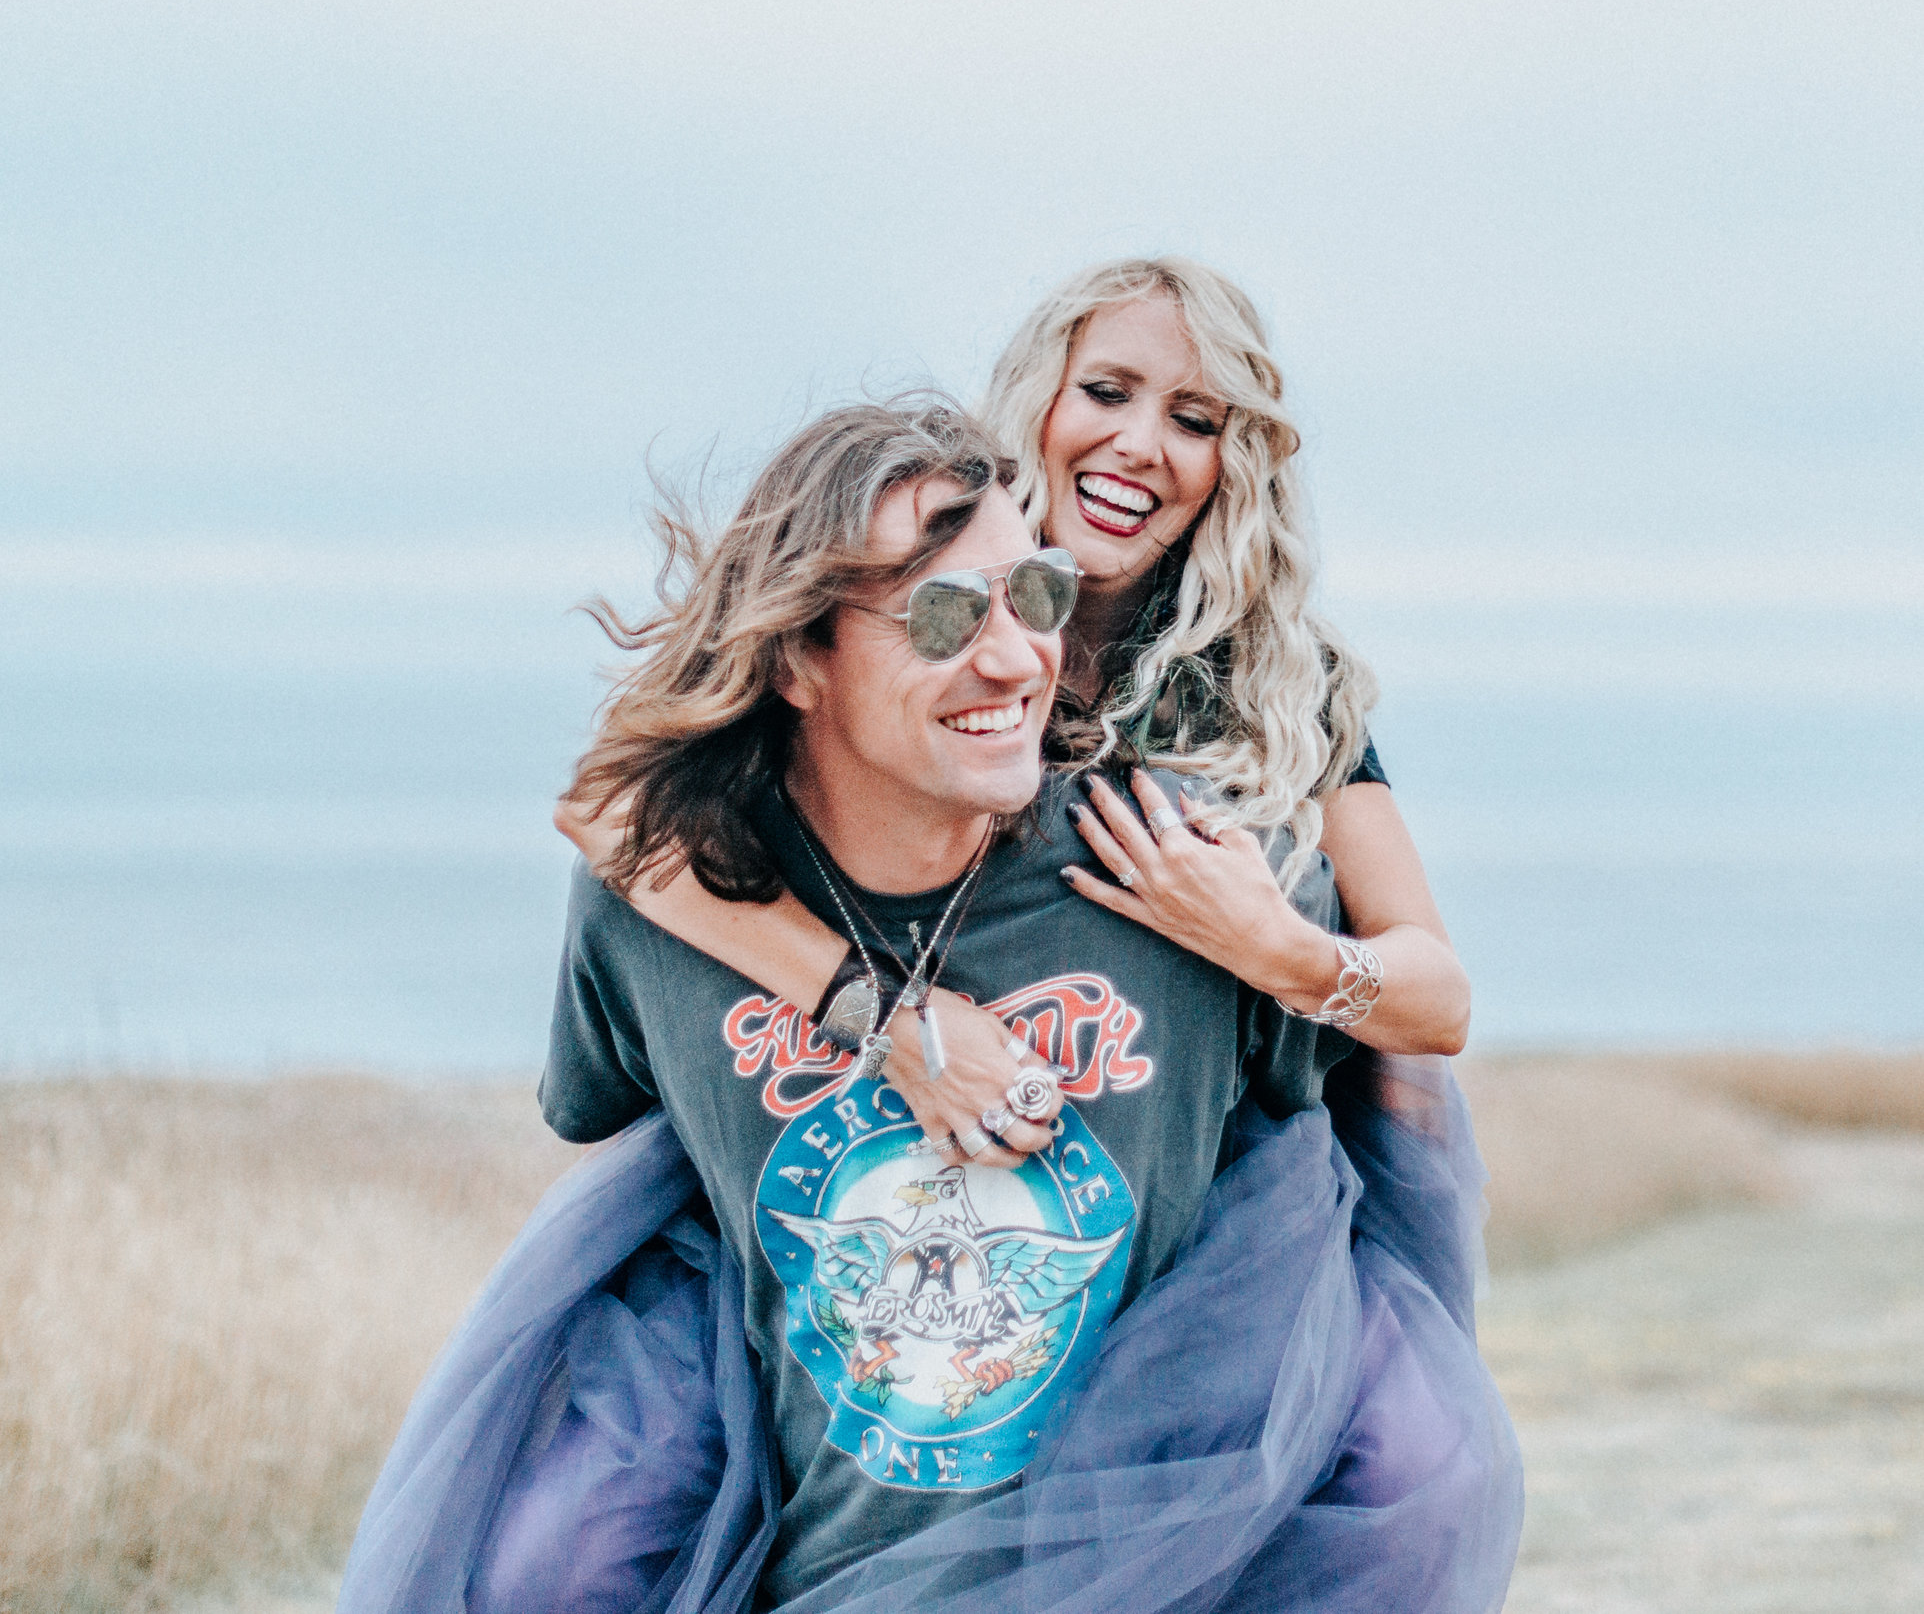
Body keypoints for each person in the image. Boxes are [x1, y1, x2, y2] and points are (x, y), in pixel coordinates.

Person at [338, 398, 1520, 1613]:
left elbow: (1390, 1083)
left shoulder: (1180, 874)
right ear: (798, 657)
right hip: (800, 1562)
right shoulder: (657, 907)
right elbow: (620, 1141)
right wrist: (878, 1014)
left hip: (1146, 1570)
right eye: (945, 614)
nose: (1012, 657)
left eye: (1039, 598)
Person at [555, 257, 1469, 1171]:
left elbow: (1440, 999)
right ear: (1039, 396)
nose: (1142, 442)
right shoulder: (911, 540)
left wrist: (1278, 949)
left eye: (1194, 420)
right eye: (1107, 392)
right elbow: (606, 809)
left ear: (1231, 466)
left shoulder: (1274, 681)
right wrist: (887, 1019)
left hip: (1178, 1151)